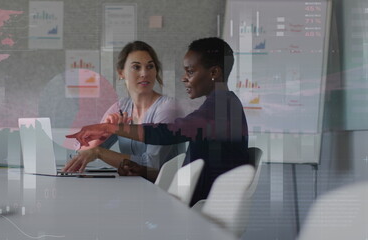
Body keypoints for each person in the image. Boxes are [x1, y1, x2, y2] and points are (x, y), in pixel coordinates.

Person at [67, 37, 249, 206]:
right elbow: (187, 173)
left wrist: (111, 128)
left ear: (214, 73)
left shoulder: (221, 110)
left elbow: (167, 133)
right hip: (193, 200)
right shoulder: (220, 105)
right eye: (136, 67)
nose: (183, 77)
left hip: (199, 208)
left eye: (190, 71)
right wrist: (143, 171)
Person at [63, 41, 183, 173]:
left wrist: (99, 152)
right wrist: (105, 132)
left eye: (150, 67)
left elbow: (151, 164)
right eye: (136, 67)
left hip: (163, 190)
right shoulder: (121, 106)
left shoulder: (168, 108)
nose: (144, 73)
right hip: (134, 185)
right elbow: (82, 149)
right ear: (121, 73)